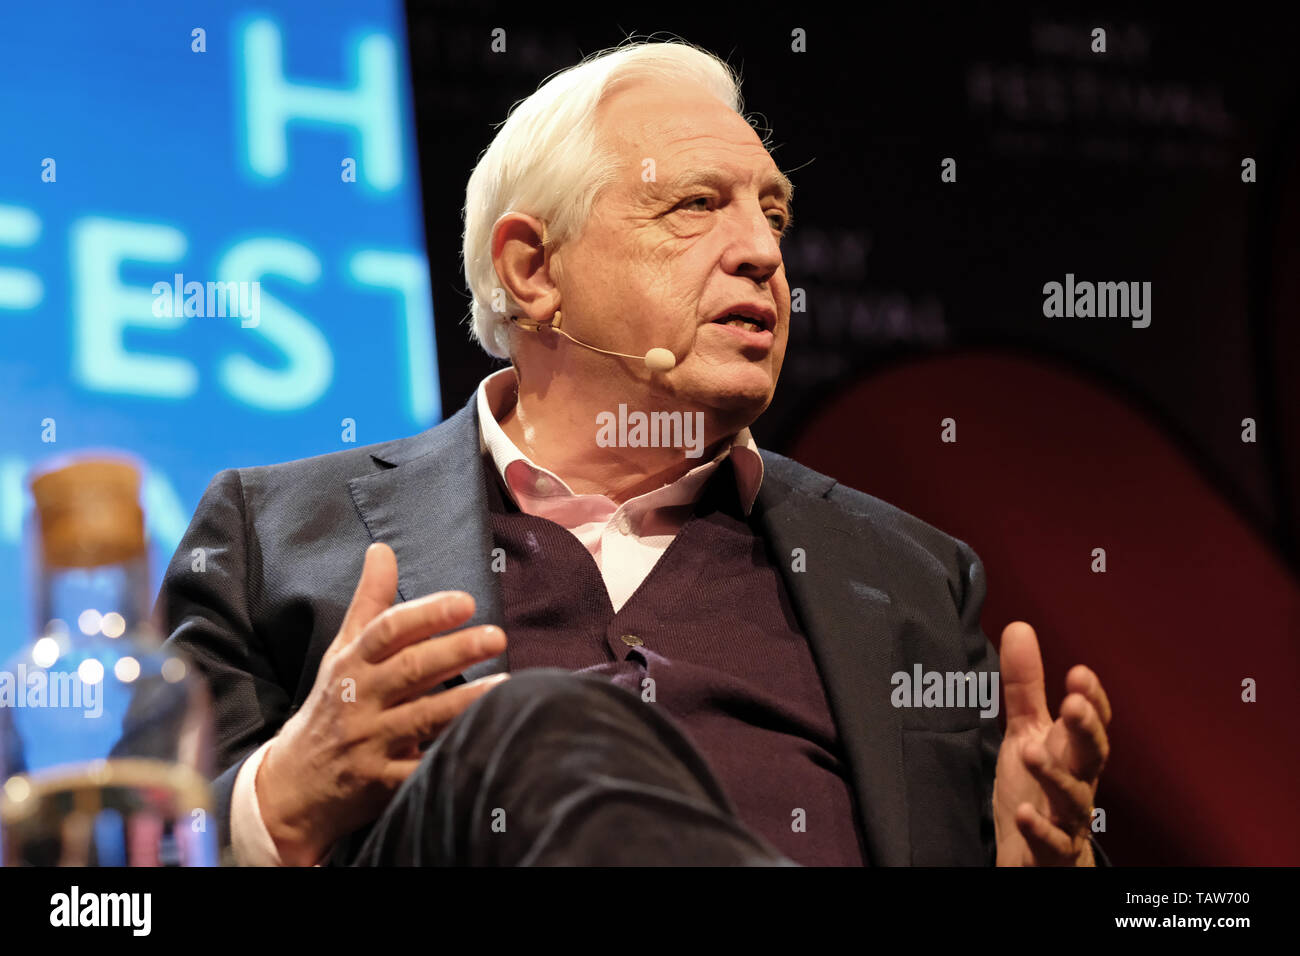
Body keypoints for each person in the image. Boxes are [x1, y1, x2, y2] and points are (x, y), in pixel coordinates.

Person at [157, 39, 1111, 867]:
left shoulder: (913, 582)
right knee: (536, 728)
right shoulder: (271, 535)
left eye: (773, 214)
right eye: (696, 205)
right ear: (533, 272)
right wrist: (281, 800)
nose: (763, 254)